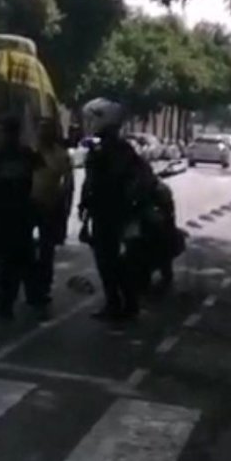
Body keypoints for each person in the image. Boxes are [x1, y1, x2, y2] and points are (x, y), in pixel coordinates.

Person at [78, 98, 151, 322]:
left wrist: (86, 205)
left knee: (109, 261)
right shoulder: (121, 148)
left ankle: (118, 303)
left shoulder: (106, 149)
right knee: (114, 261)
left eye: (92, 119)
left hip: (109, 212)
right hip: (115, 211)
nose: (88, 124)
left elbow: (94, 182)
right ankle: (126, 303)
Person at [0, 115, 44, 321]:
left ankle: (8, 304)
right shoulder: (24, 154)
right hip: (18, 215)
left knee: (8, 263)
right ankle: (29, 298)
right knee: (23, 260)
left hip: (6, 216)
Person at [32, 119, 75, 312]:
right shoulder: (31, 152)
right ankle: (30, 286)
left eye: (47, 131)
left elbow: (68, 181)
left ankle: (43, 287)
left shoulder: (60, 155)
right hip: (29, 205)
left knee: (46, 249)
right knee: (27, 249)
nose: (43, 135)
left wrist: (62, 203)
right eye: (41, 131)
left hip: (50, 206)